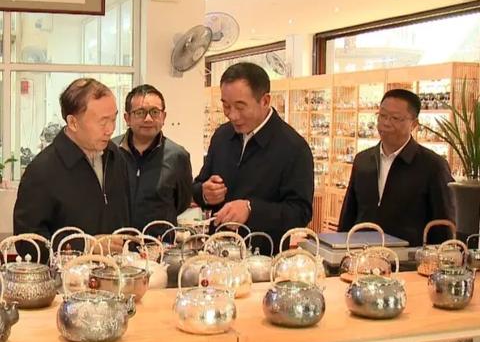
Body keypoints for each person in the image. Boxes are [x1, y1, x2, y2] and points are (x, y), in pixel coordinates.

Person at [193, 62, 314, 254]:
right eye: (226, 106)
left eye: (240, 107)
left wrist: (251, 210)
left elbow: (300, 212)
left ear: (265, 101)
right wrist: (205, 193)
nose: (232, 115)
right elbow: (199, 185)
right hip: (216, 255)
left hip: (264, 259)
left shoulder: (293, 147)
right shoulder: (222, 136)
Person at [13, 78, 130, 262]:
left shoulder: (116, 157)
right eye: (102, 122)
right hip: (66, 277)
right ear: (73, 123)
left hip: (115, 271)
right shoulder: (42, 170)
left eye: (113, 119)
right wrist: (84, 246)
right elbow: (27, 242)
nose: (110, 130)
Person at [338, 88, 455, 246]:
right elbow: (348, 214)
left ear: (414, 124)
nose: (386, 123)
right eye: (382, 116)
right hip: (361, 253)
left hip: (408, 257)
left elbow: (443, 224)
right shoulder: (362, 160)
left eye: (395, 118)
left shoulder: (433, 165)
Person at [114, 84, 192, 234]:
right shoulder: (111, 152)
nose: (148, 119)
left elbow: (182, 202)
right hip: (117, 242)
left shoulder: (178, 156)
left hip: (161, 243)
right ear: (127, 118)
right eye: (140, 113)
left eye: (155, 112)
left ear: (164, 117)